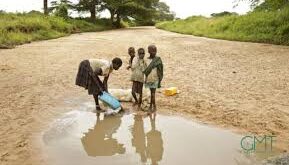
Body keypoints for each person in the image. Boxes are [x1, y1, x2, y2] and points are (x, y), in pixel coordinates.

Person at [143, 45, 163, 113]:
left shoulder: (158, 59)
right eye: (152, 51)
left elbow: (160, 70)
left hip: (155, 78)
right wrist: (145, 79)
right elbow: (145, 71)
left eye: (155, 51)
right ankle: (153, 106)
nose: (154, 52)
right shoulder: (146, 60)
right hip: (149, 78)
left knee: (153, 93)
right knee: (151, 93)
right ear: (149, 51)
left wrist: (159, 79)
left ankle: (152, 106)